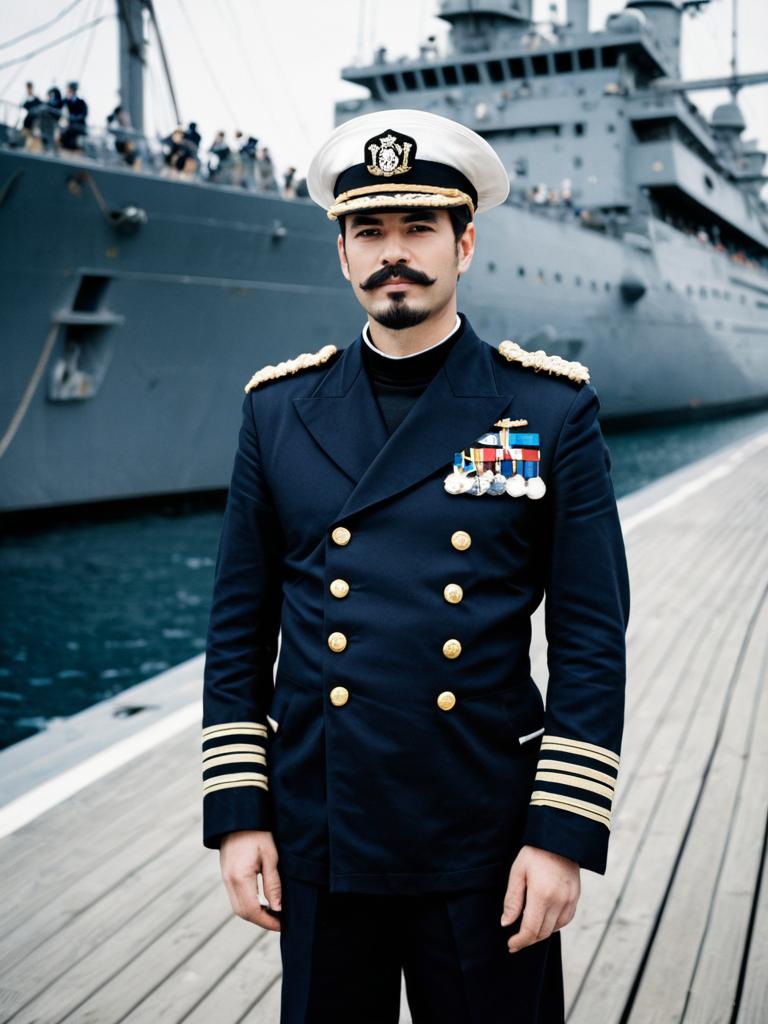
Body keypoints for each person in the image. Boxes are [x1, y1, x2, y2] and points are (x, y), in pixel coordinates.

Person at [201, 108, 630, 1022]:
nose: (393, 253)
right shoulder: (276, 413)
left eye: (418, 228)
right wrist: (241, 816)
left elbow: (591, 641)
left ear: (464, 243)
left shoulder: (548, 411)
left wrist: (559, 837)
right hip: (322, 834)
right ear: (344, 254)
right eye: (370, 231)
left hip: (483, 837)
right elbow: (239, 632)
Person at [60, 81, 88, 151]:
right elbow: (58, 106)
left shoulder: (81, 102)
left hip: (78, 127)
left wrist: (74, 118)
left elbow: (84, 114)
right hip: (70, 127)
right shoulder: (66, 101)